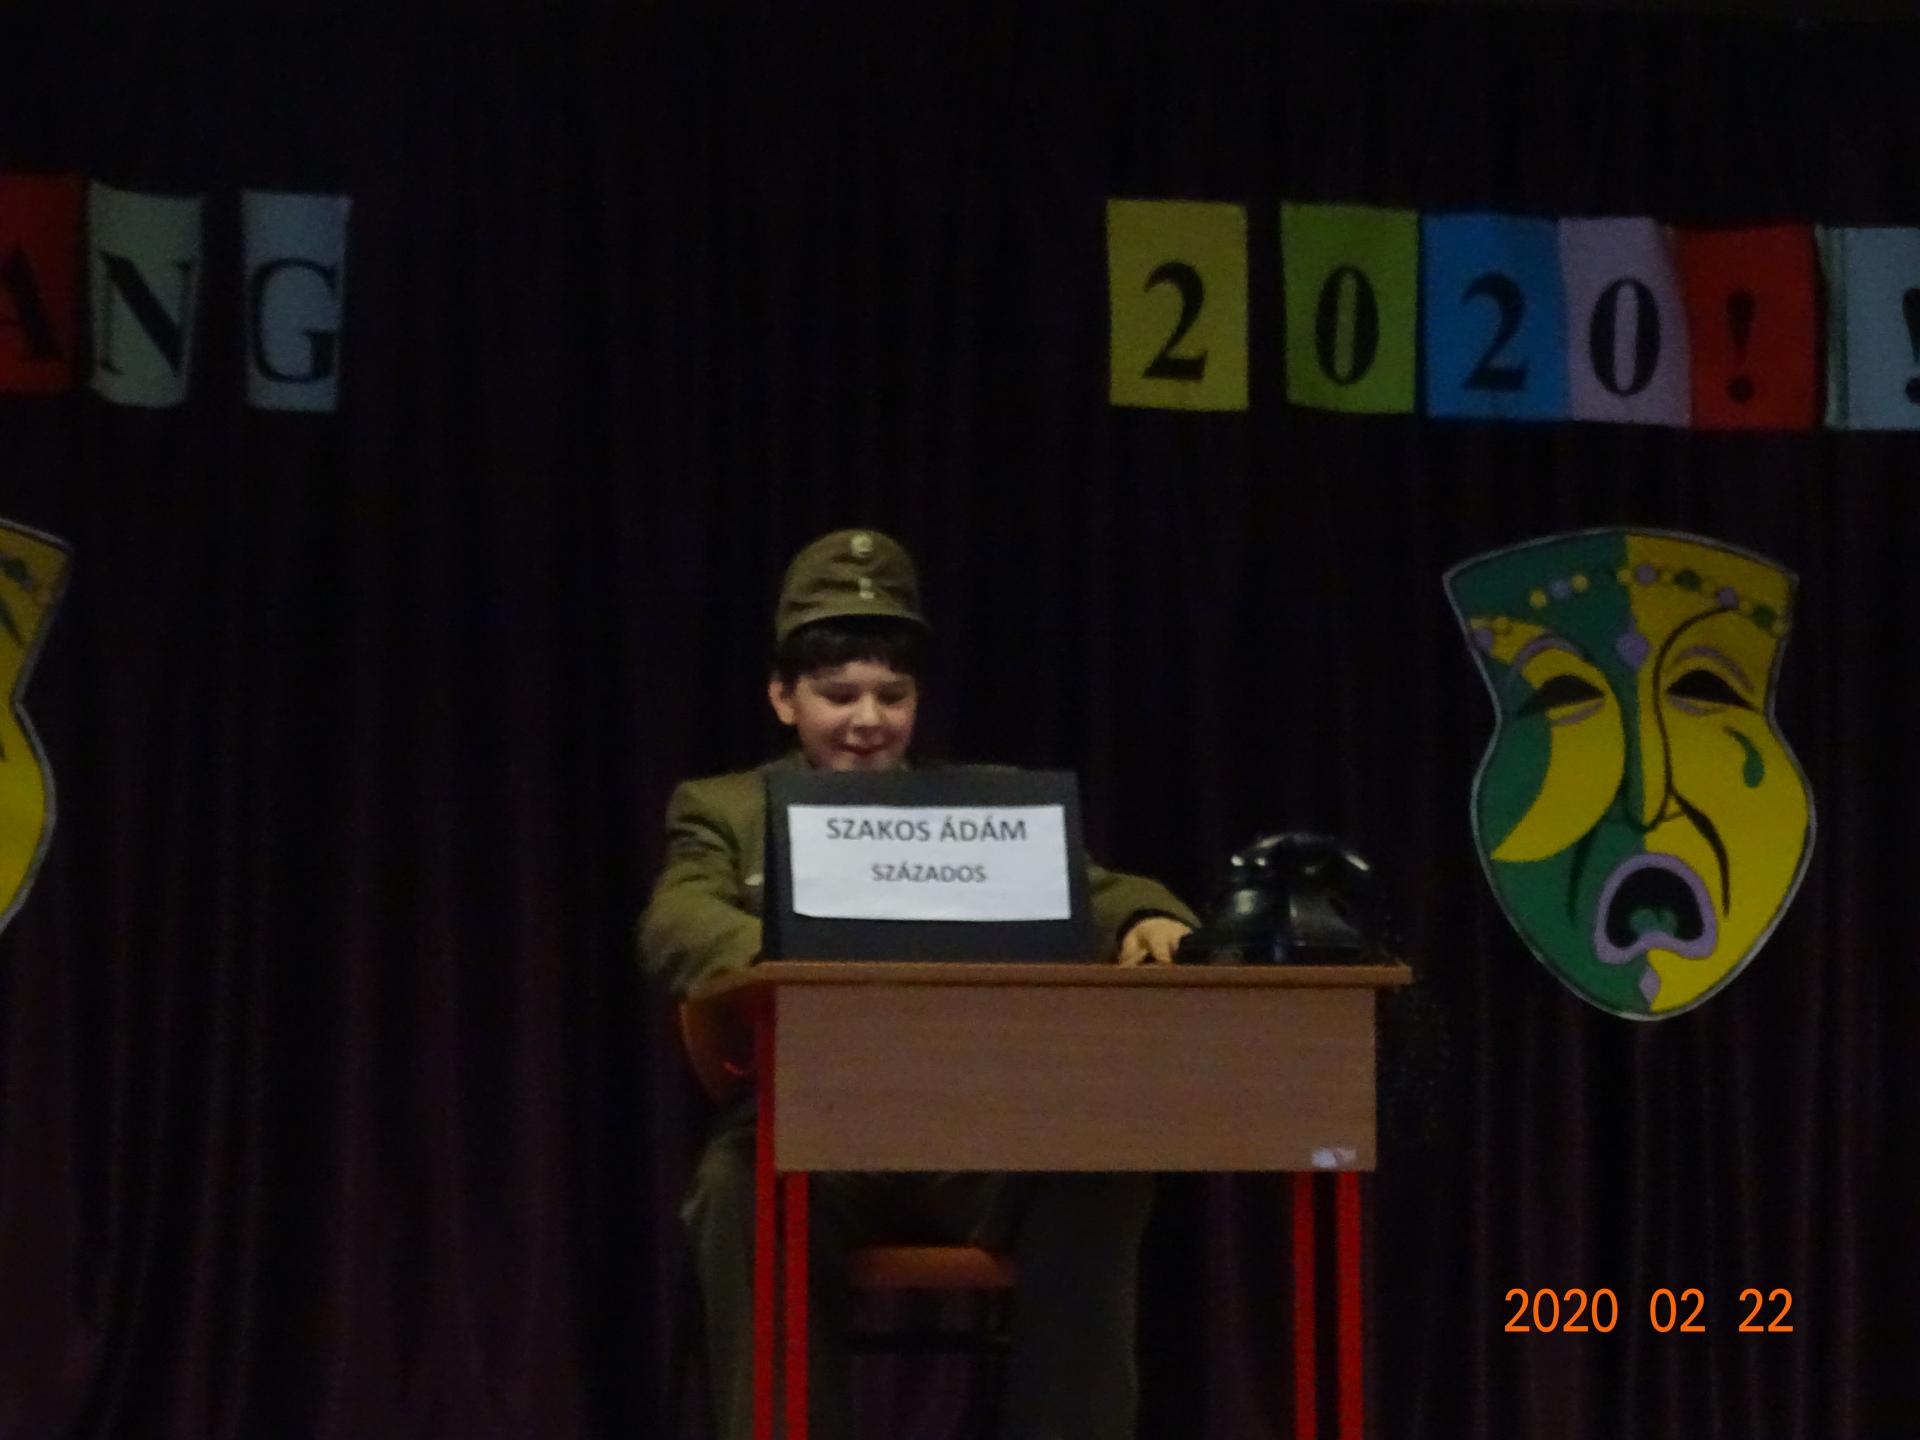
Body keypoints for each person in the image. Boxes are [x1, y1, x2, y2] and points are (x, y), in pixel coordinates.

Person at [639, 527, 1196, 1440]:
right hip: (808, 1127)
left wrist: (1147, 919)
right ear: (783, 697)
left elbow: (1095, 890)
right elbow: (677, 920)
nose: (868, 720)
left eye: (891, 696)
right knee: (738, 1189)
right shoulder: (728, 809)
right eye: (838, 695)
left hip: (978, 1131)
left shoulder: (985, 802)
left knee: (1102, 1168)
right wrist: (805, 953)